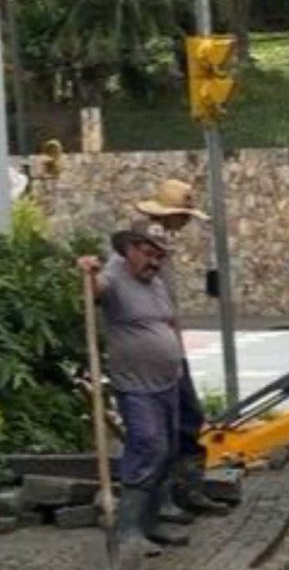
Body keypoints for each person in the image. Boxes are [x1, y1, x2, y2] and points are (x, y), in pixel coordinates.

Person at [79, 223, 190, 567]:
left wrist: (179, 359)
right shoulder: (112, 276)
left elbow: (169, 323)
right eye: (149, 253)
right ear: (129, 248)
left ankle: (151, 524)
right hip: (136, 384)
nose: (155, 262)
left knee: (167, 449)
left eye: (160, 255)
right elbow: (96, 291)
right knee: (148, 446)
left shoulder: (155, 283)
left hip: (168, 380)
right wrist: (87, 273)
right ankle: (127, 532)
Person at [133, 180, 229, 519]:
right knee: (176, 420)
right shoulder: (145, 246)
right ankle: (172, 495)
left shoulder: (160, 244)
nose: (187, 222)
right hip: (154, 351)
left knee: (186, 417)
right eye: (184, 215)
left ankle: (184, 491)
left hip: (170, 346)